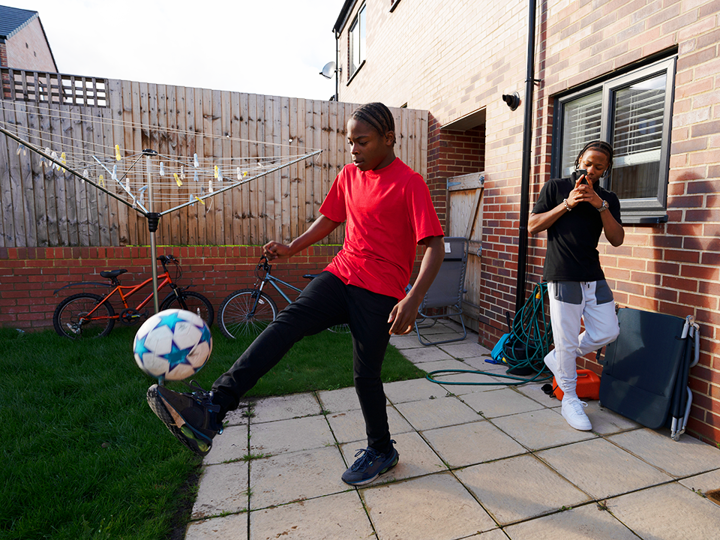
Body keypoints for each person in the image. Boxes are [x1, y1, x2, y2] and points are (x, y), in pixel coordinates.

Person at [147, 102, 445, 486]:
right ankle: (214, 408)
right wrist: (292, 247)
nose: (353, 150)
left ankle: (381, 449)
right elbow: (331, 217)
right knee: (286, 324)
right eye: (350, 142)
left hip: (381, 291)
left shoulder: (410, 183)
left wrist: (414, 297)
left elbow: (434, 246)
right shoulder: (349, 175)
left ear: (389, 139)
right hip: (342, 273)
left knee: (365, 375)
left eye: (362, 142)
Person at [528, 140, 624, 431]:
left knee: (608, 330)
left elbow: (617, 238)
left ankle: (559, 357)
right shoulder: (556, 187)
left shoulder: (608, 198)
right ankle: (569, 398)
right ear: (580, 158)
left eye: (598, 167)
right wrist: (568, 204)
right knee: (567, 338)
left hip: (593, 274)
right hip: (563, 273)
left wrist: (600, 205)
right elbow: (533, 225)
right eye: (588, 162)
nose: (591, 170)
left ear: (605, 171)